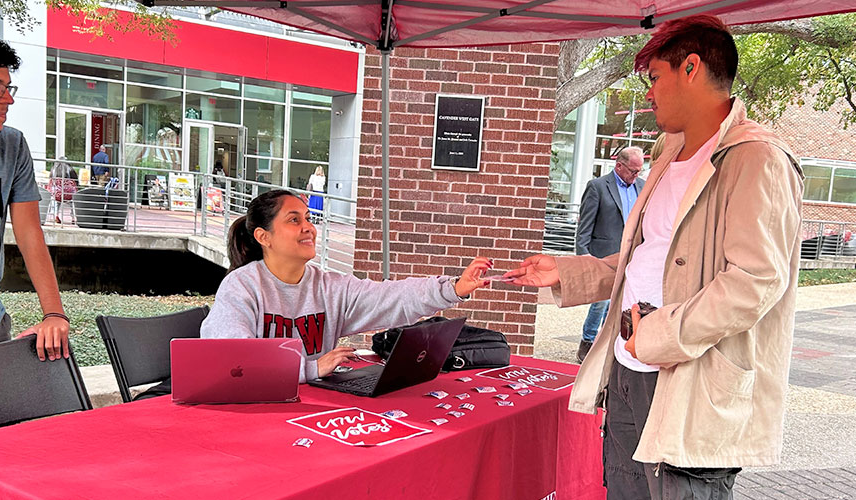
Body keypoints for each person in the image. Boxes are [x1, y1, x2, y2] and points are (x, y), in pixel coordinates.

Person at [505, 15, 803, 500]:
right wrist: (568, 271)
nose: (649, 94)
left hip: (691, 385)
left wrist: (658, 335)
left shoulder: (758, 159)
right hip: (628, 368)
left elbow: (755, 283)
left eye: (655, 77)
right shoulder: (668, 154)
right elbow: (645, 258)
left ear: (691, 68)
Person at [200, 189, 492, 382]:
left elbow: (391, 297)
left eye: (308, 218)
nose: (308, 227)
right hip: (256, 411)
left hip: (313, 406)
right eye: (294, 220)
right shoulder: (241, 286)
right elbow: (233, 358)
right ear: (264, 237)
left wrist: (453, 288)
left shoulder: (329, 286)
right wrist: (311, 369)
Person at [0, 30, 70, 361]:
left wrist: (54, 313)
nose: (8, 99)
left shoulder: (11, 145)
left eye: (8, 87)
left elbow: (29, 232)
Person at [574, 146, 645, 363]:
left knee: (623, 303)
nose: (636, 175)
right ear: (619, 166)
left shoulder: (643, 187)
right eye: (633, 171)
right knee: (602, 302)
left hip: (633, 256)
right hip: (605, 255)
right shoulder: (598, 187)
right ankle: (587, 342)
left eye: (639, 171)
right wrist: (583, 254)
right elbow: (585, 225)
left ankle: (609, 345)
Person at [46, 156, 78, 224]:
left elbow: (50, 180)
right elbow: (75, 180)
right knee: (72, 203)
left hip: (57, 193)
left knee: (55, 201)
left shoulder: (53, 169)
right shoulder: (70, 169)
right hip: (68, 194)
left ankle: (55, 215)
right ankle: (73, 217)